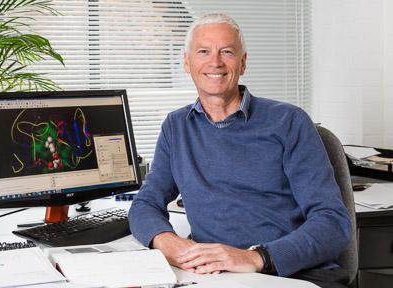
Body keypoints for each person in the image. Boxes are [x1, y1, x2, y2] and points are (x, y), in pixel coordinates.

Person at [128, 13, 351, 288]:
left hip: (291, 275)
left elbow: (333, 224)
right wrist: (167, 243)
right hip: (215, 277)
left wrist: (257, 257)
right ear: (187, 62)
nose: (215, 62)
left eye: (227, 52)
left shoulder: (289, 122)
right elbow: (145, 204)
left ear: (243, 62)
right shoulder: (176, 126)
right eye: (203, 52)